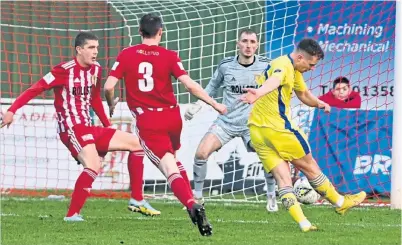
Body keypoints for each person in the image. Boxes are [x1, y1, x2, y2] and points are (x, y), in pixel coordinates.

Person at [0, 32, 148, 222]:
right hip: (71, 128)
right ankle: (72, 215)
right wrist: (12, 110)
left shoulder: (96, 69)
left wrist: (107, 125)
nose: (95, 52)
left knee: (137, 144)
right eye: (90, 48)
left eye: (97, 48)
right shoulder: (63, 70)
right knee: (93, 165)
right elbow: (34, 89)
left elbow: (94, 98)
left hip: (88, 127)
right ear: (79, 50)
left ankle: (136, 199)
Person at [104, 13, 226, 236]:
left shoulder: (126, 54)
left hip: (148, 120)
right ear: (161, 32)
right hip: (172, 117)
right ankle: (191, 201)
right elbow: (189, 85)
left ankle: (191, 204)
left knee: (168, 167)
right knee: (173, 159)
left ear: (139, 32)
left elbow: (109, 86)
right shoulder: (170, 55)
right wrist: (214, 104)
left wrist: (111, 104)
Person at [241, 38, 366, 232]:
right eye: (311, 64)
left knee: (283, 178)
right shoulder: (283, 66)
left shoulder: (293, 68)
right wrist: (258, 92)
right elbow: (274, 81)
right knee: (310, 167)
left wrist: (319, 103)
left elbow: (304, 94)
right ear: (300, 57)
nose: (313, 68)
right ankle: (340, 202)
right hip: (279, 129)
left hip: (258, 132)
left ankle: (304, 223)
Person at [184, 29, 278, 212]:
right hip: (226, 122)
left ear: (257, 45)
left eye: (252, 42)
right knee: (201, 154)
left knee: (269, 156)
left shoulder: (268, 66)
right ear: (238, 44)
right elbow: (212, 86)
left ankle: (272, 196)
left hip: (253, 123)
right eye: (245, 41)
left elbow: (275, 88)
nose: (248, 45)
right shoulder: (226, 65)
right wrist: (197, 106)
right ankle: (198, 197)